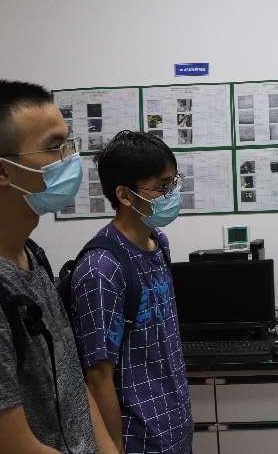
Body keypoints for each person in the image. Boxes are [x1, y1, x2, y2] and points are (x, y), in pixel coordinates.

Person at [0, 79, 117, 453]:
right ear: (0, 172)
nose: (71, 158)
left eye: (68, 143)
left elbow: (70, 381)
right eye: (55, 147)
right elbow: (8, 445)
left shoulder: (31, 254)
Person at [69, 130, 193, 453]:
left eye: (173, 182)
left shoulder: (158, 243)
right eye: (162, 186)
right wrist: (114, 447)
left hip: (175, 429)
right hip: (137, 439)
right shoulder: (101, 268)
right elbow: (98, 377)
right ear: (125, 195)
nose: (172, 193)